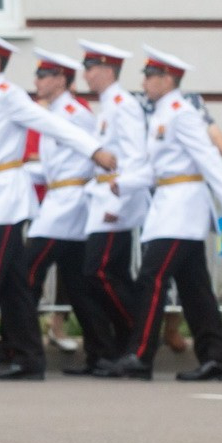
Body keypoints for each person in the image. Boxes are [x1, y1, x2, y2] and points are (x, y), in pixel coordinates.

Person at [0, 30, 114, 380]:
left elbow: (52, 124)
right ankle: (28, 357)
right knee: (13, 284)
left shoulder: (6, 95)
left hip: (6, 197)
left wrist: (93, 150)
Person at [99, 48, 222, 382]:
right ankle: (217, 360)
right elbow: (153, 169)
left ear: (167, 79)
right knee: (195, 289)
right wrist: (123, 185)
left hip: (183, 209)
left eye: (150, 76)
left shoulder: (181, 113)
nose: (144, 82)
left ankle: (140, 356)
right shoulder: (162, 113)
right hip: (169, 205)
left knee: (150, 279)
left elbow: (208, 159)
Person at [25, 49, 112, 372]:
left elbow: (95, 156)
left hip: (68, 202)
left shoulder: (75, 113)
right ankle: (101, 353)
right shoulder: (54, 112)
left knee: (26, 273)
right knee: (79, 286)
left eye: (43, 76)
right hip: (59, 198)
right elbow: (51, 165)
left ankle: (19, 348)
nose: (37, 81)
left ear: (61, 80)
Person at [75, 40, 151, 373]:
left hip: (117, 199)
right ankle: (126, 344)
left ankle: (139, 332)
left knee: (100, 272)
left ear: (107, 70)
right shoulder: (108, 106)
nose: (86, 74)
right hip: (103, 197)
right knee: (111, 273)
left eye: (91, 68)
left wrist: (119, 205)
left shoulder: (123, 105)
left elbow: (136, 158)